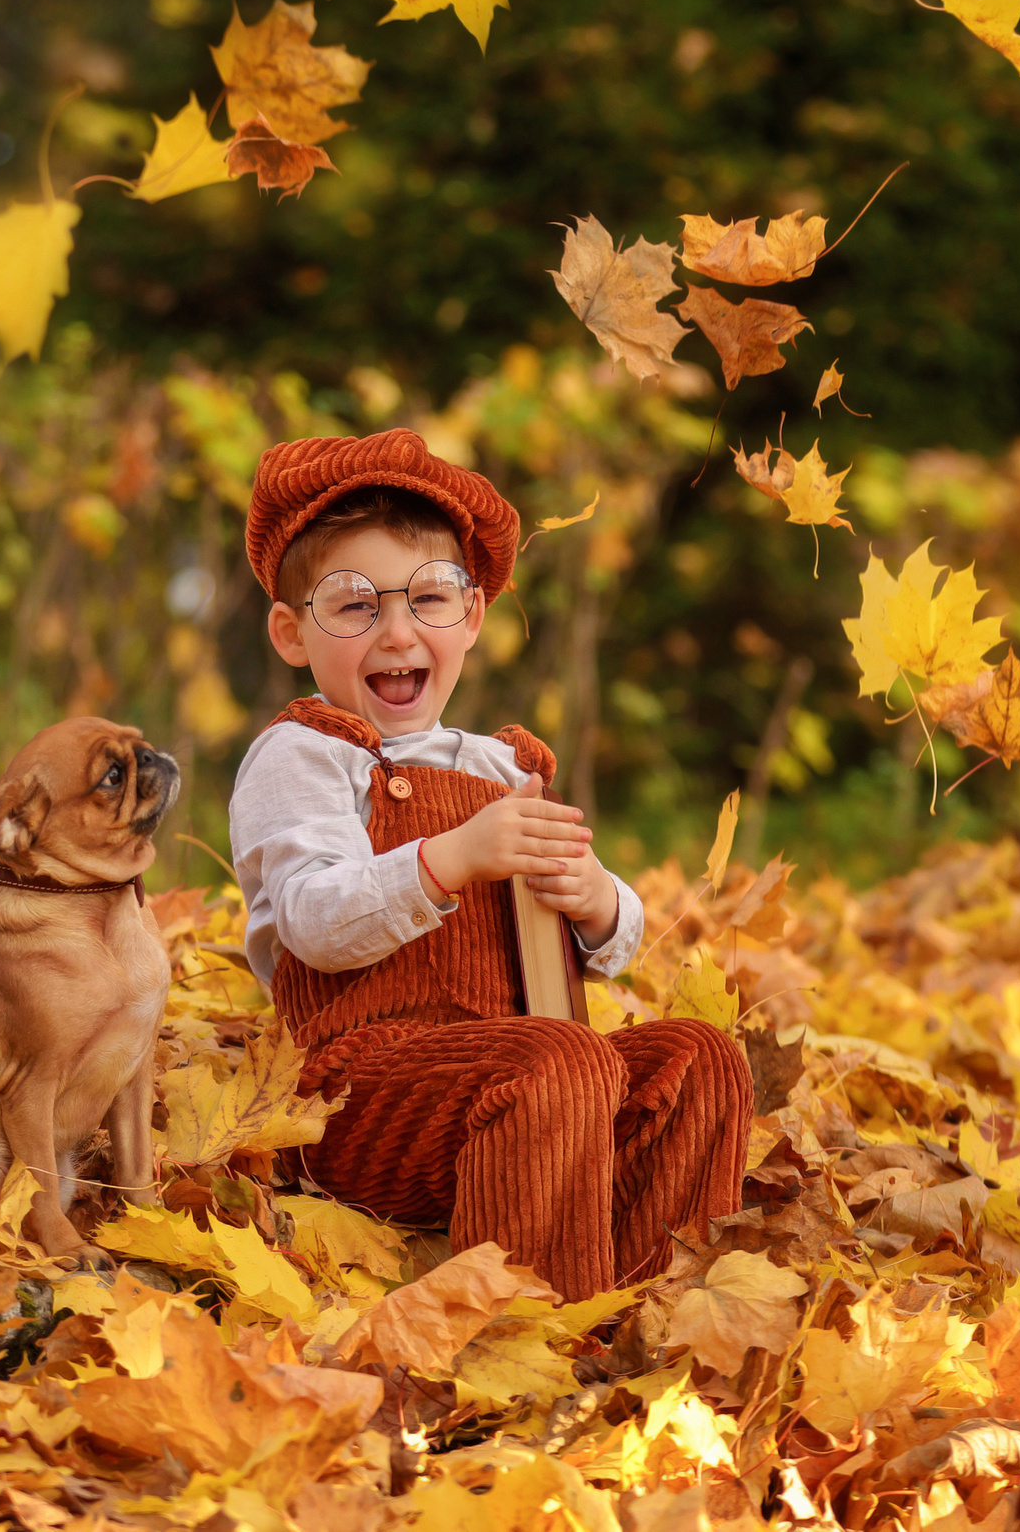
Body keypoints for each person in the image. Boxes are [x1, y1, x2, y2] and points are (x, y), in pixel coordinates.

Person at [229, 428, 752, 1300]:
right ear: (292, 632)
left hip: (529, 1084)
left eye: (427, 599)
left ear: (470, 618)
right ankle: (518, 1335)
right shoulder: (303, 755)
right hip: (357, 1095)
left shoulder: (500, 767)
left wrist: (593, 901)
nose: (397, 631)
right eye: (355, 606)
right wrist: (445, 860)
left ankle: (651, 1306)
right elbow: (313, 921)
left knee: (702, 1059)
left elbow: (606, 946)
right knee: (557, 1062)